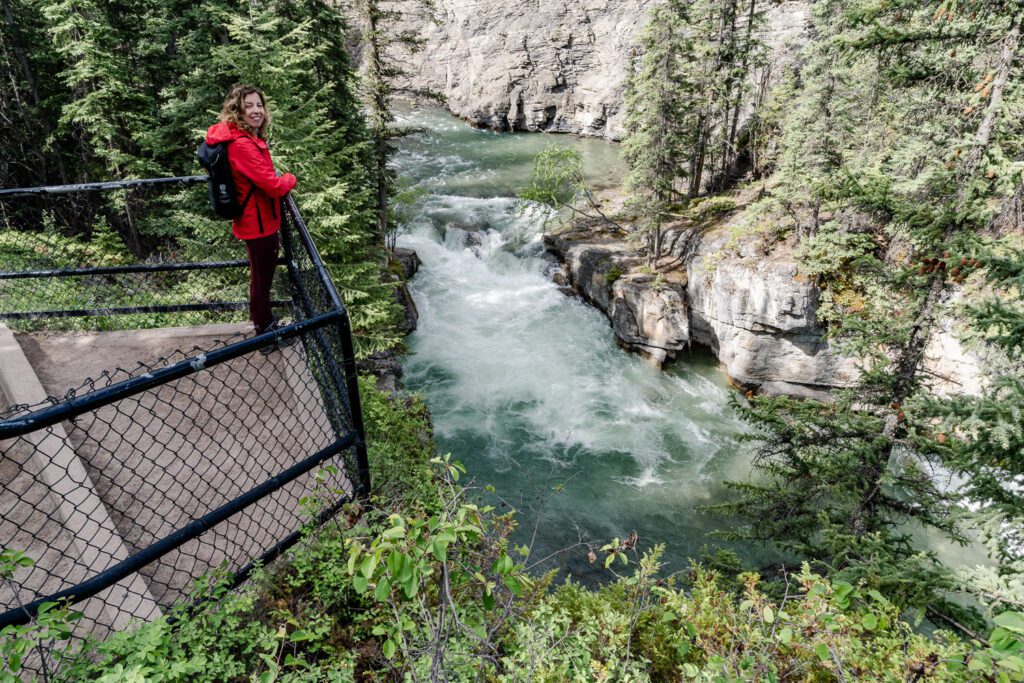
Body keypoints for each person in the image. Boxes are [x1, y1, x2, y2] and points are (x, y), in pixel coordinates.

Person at [205, 84, 297, 345]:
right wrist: (290, 178)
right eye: (249, 106)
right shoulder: (242, 145)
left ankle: (264, 325)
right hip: (258, 225)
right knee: (261, 281)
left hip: (257, 220)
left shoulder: (243, 138)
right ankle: (265, 336)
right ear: (237, 111)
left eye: (259, 105)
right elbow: (273, 185)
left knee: (261, 278)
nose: (256, 111)